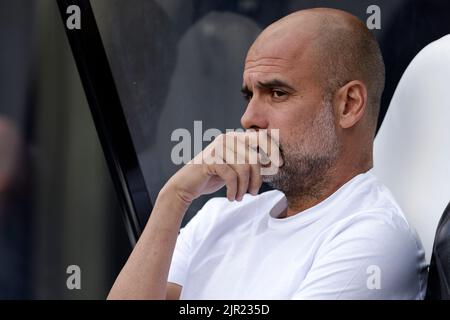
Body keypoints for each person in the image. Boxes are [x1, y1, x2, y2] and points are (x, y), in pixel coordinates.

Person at [108, 8, 427, 300]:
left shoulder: (373, 238)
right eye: (250, 94)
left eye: (277, 93)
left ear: (349, 105)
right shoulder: (219, 217)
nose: (248, 118)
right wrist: (172, 198)